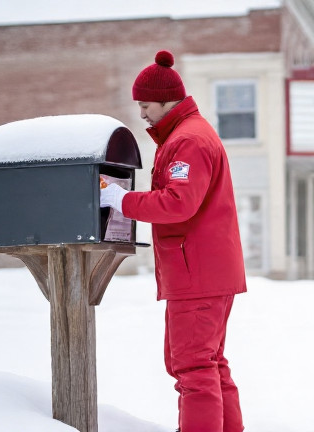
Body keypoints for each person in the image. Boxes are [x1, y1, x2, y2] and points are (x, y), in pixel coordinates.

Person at [100, 50, 247, 432]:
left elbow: (180, 202)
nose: (142, 113)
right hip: (205, 271)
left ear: (167, 100)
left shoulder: (189, 141)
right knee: (209, 362)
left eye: (146, 105)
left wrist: (122, 201)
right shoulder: (186, 136)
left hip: (197, 273)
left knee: (194, 367)